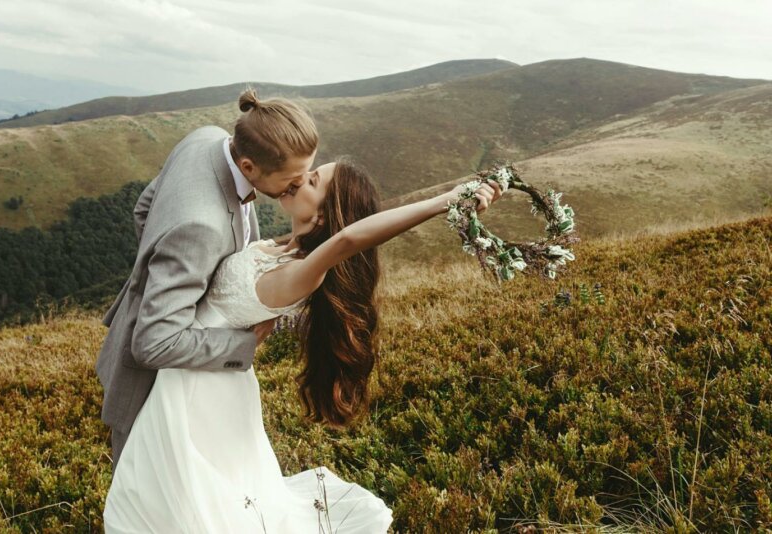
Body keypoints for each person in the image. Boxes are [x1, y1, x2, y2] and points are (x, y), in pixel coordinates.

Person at [102, 153, 503, 532]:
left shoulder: (305, 272)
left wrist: (445, 201)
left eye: (311, 180)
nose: (299, 180)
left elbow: (348, 241)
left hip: (200, 389)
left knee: (190, 502)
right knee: (187, 498)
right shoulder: (285, 247)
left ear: (326, 213)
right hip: (201, 377)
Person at [95, 88, 317, 472]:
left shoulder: (207, 138)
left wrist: (165, 273)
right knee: (145, 495)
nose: (296, 189)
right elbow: (153, 342)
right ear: (249, 168)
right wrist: (241, 342)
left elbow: (143, 209)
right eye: (291, 180)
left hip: (193, 380)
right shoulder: (201, 227)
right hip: (155, 387)